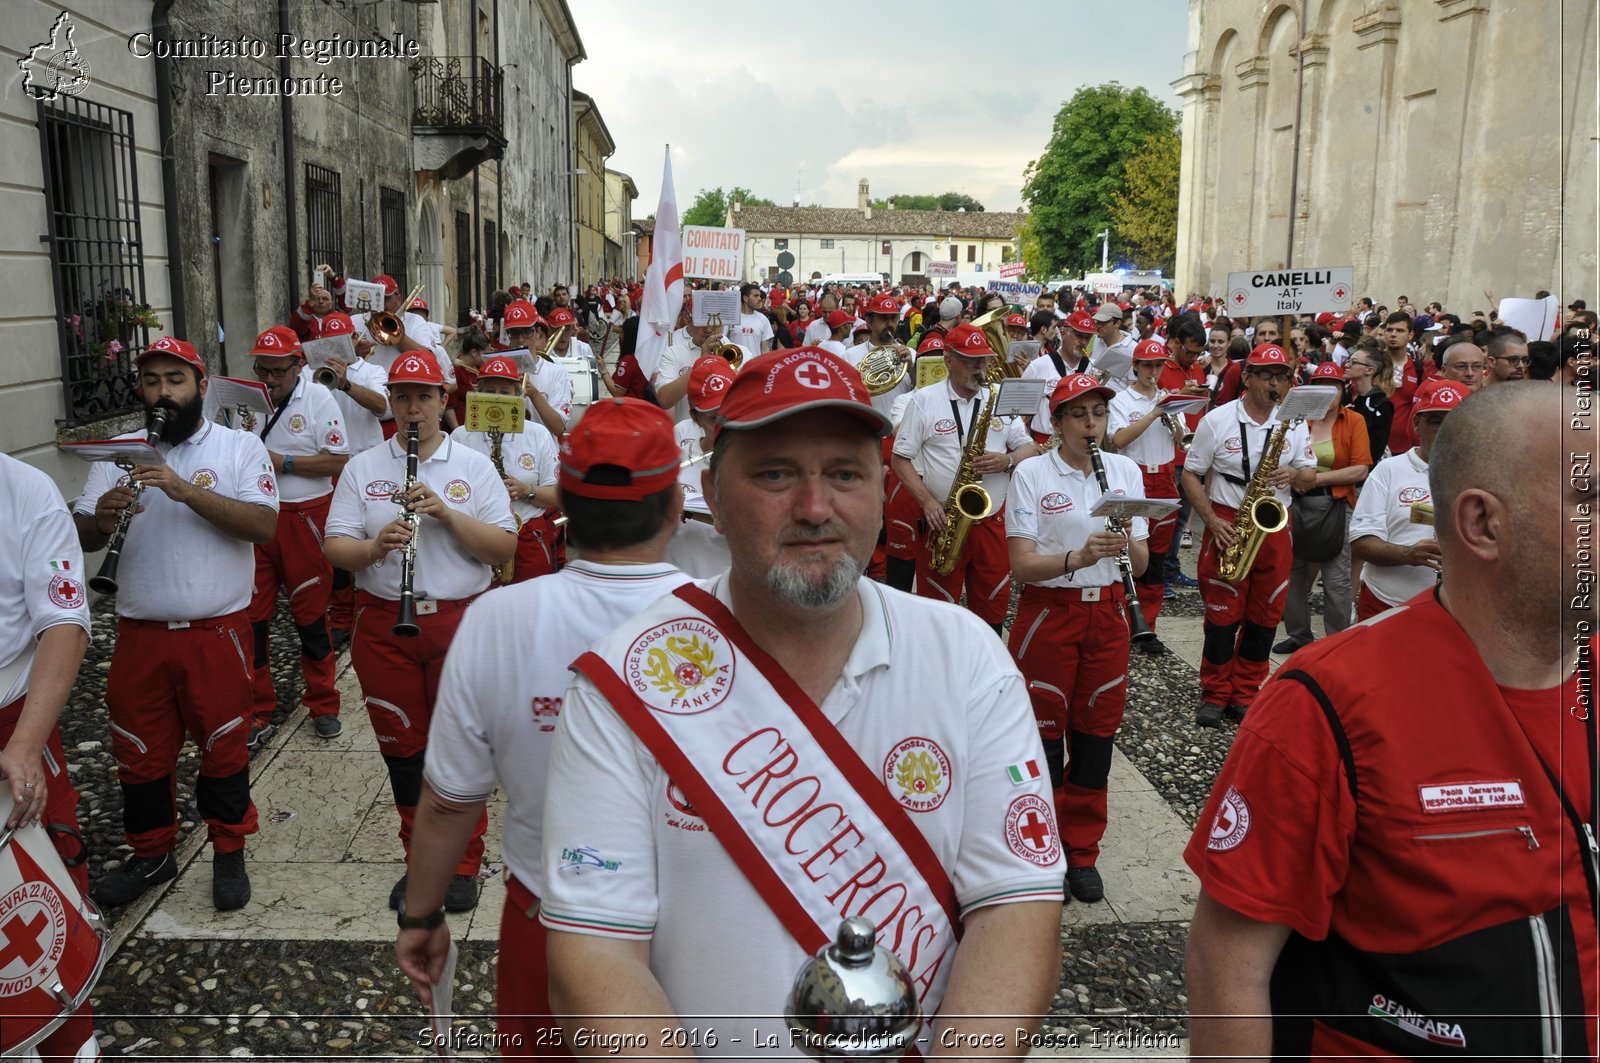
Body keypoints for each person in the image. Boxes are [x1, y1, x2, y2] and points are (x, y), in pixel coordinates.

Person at [541, 346, 1064, 1053]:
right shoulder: (623, 684)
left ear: (883, 491)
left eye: (844, 474)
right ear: (714, 501)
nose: (815, 507)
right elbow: (594, 953)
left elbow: (1015, 906)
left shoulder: (968, 658)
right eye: (776, 473)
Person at [1185, 382, 1596, 1059]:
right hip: (1349, 586)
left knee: (1257, 629)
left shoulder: (1326, 421)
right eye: (1593, 497)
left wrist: (1303, 475)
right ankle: (1217, 689)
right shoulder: (1329, 703)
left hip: (1289, 528)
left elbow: (1330, 468)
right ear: (1484, 522)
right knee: (1234, 630)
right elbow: (1229, 963)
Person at [396, 398, 689, 1057]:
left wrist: (421, 913)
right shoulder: (722, 616)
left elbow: (446, 802)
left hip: (547, 918)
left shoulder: (498, 617)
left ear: (563, 510)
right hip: (696, 921)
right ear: (675, 508)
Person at [73, 337, 277, 910]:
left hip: (216, 632)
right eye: (153, 381)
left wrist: (185, 491)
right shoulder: (120, 451)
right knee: (139, 753)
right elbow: (83, 531)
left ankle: (229, 850)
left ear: (201, 385)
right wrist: (101, 517)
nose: (163, 392)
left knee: (223, 748)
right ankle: (151, 854)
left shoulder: (239, 447)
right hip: (140, 633)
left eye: (175, 380)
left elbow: (263, 526)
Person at [322, 353, 516, 913]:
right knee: (404, 752)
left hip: (461, 620)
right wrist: (374, 547)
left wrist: (448, 516)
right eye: (403, 397)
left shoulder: (474, 466)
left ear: (443, 400)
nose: (413, 408)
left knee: (460, 747)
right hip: (385, 622)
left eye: (424, 397)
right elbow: (335, 547)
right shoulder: (364, 467)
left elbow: (503, 551)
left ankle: (463, 862)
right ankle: (421, 861)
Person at [1009, 374, 1149, 904]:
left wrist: (1122, 541)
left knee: (1096, 736)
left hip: (1109, 613)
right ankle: (1040, 848)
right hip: (1051, 613)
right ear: (1057, 421)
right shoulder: (1030, 473)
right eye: (1079, 414)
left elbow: (1140, 561)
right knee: (1042, 739)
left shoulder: (1125, 470)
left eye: (1099, 413)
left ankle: (1082, 851)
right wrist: (1079, 557)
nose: (1091, 424)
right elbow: (1021, 567)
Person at [0, 451, 94, 1060]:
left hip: (13, 724)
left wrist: (25, 748)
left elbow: (65, 621)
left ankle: (71, 1048)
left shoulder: (25, 490)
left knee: (41, 894)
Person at [1182, 343, 1318, 729]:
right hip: (1227, 518)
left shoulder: (1292, 422)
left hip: (1274, 522)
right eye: (1266, 376)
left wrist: (1294, 475)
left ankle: (1245, 692)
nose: (1275, 384)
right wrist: (1210, 521)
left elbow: (1309, 474)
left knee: (1265, 616)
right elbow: (1192, 474)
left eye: (1282, 377)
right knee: (1223, 616)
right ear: (1247, 378)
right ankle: (1214, 693)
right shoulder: (1218, 420)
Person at [892, 325, 1039, 634]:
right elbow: (900, 458)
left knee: (992, 606)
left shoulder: (997, 398)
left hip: (991, 522)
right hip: (943, 520)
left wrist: (1007, 459)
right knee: (937, 610)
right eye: (971, 361)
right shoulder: (924, 400)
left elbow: (1030, 447)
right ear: (948, 360)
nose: (980, 368)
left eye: (983, 361)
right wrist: (928, 501)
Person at [245, 326, 350, 744]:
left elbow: (338, 459)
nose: (268, 379)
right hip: (257, 516)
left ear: (297, 365)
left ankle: (324, 702)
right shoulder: (247, 400)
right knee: (252, 619)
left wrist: (282, 461)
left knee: (309, 616)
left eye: (276, 371)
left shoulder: (320, 397)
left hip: (305, 516)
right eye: (261, 370)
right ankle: (256, 710)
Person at [1347, 381, 1468, 621]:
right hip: (1387, 605)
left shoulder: (1484, 475)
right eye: (1435, 421)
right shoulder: (1388, 470)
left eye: (1455, 421)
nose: (1446, 430)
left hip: (1456, 612)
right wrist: (1408, 554)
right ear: (1416, 424)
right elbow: (1361, 543)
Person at [1274, 361, 1372, 654]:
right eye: (1321, 387)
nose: (1329, 393)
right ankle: (1299, 634)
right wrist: (1294, 477)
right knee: (1292, 572)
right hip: (1295, 502)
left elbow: (1360, 470)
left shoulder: (1353, 421)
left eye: (1335, 387)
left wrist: (1311, 479)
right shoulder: (1296, 421)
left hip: (1335, 504)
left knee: (1337, 577)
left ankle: (1337, 641)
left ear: (1343, 391)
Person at [448, 355, 562, 584]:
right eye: (489, 391)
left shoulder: (537, 434)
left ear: (517, 396)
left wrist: (527, 490)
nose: (497, 398)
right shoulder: (460, 436)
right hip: (476, 538)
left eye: (505, 392)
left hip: (528, 535)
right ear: (477, 394)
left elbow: (559, 497)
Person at [1107, 338, 1182, 652]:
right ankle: (1120, 622)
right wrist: (1153, 414)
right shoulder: (1121, 400)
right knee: (1128, 552)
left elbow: (1180, 439)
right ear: (1135, 366)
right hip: (1134, 476)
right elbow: (1118, 439)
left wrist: (1172, 416)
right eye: (1148, 365)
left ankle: (1147, 628)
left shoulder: (1167, 397)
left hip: (1164, 477)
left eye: (1158, 364)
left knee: (1157, 560)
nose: (1154, 370)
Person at [665, 356, 734, 579]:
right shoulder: (679, 437)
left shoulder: (761, 450)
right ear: (696, 417)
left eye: (732, 413)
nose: (727, 426)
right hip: (682, 577)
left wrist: (693, 512)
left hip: (734, 581)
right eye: (715, 418)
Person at [729, 282, 775, 362]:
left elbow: (765, 349)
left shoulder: (763, 319)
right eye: (755, 296)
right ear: (745, 298)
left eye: (759, 296)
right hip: (733, 368)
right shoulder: (731, 317)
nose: (760, 299)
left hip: (755, 368)